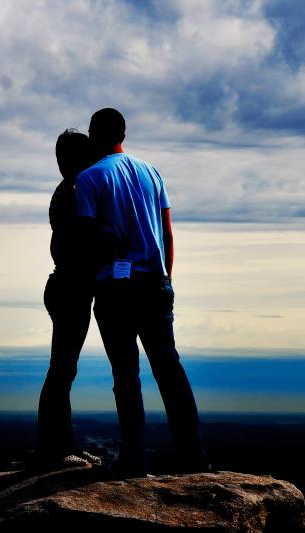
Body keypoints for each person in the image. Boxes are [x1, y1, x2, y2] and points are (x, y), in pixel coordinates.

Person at [75, 108, 210, 478]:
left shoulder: (89, 179)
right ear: (124, 133)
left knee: (126, 374)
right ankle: (193, 456)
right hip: (156, 281)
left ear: (92, 135)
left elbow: (88, 238)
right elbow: (167, 231)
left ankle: (134, 459)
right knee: (169, 370)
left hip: (116, 288)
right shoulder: (152, 172)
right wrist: (166, 276)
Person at [33, 129, 100, 470]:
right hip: (69, 288)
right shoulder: (74, 192)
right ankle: (54, 450)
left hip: (67, 287)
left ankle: (62, 445)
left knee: (64, 370)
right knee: (61, 371)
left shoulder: (70, 190)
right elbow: (80, 243)